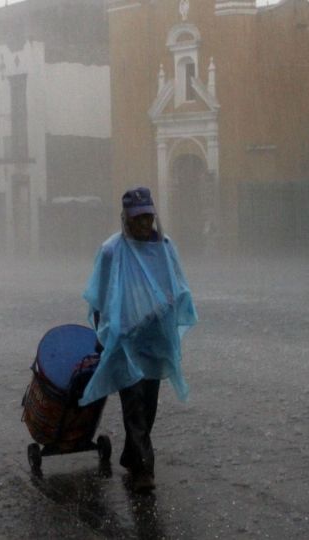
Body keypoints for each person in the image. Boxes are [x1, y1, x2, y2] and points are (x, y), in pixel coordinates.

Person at [79, 186, 198, 492]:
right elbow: (101, 296)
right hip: (126, 340)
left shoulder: (165, 248)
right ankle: (144, 470)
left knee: (148, 403)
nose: (144, 225)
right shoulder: (111, 252)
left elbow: (178, 286)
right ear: (126, 220)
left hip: (156, 339)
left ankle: (133, 456)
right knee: (133, 401)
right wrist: (103, 335)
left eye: (148, 217)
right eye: (138, 219)